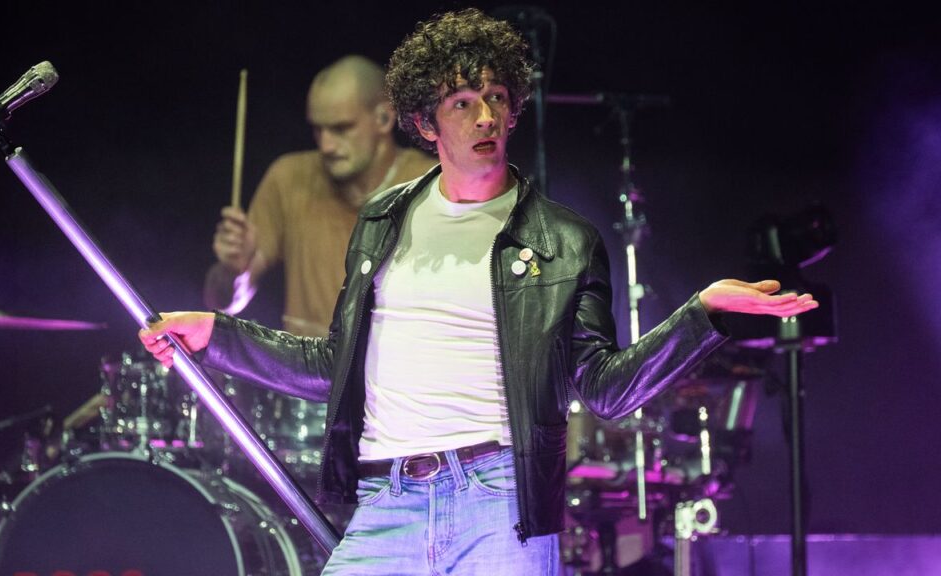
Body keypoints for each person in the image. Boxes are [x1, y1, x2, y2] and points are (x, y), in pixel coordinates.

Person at [143, 9, 818, 575]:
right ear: (426, 124)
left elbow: (605, 388)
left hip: (499, 504)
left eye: (496, 97)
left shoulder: (564, 240)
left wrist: (703, 316)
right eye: (462, 103)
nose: (484, 115)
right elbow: (333, 365)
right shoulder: (381, 222)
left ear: (514, 108)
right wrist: (216, 335)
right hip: (387, 501)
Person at [205, 54, 436, 336]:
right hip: (305, 364)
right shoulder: (288, 178)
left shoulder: (429, 185)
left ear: (384, 117)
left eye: (341, 128)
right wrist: (232, 271)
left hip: (397, 362)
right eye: (318, 129)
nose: (326, 145)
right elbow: (225, 303)